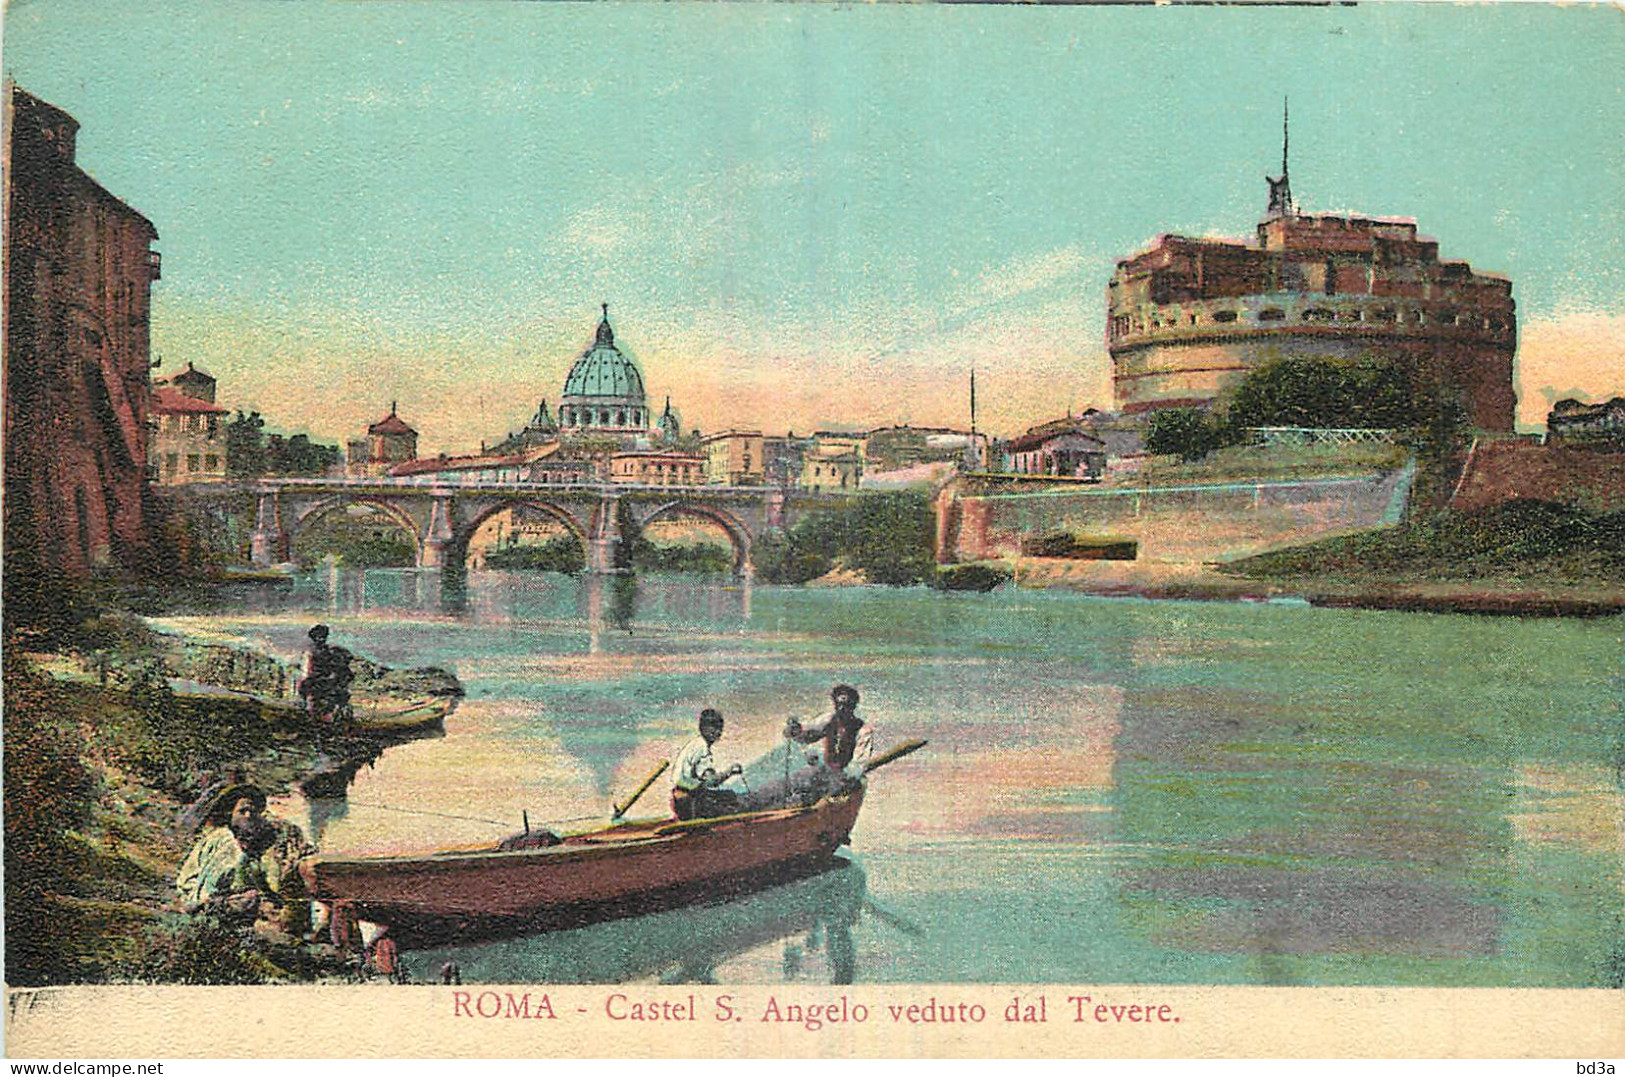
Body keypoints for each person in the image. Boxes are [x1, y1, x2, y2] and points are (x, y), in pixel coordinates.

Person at [176, 782, 313, 935]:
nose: (248, 815)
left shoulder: (263, 840)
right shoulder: (222, 841)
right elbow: (200, 885)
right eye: (242, 811)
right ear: (230, 815)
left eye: (252, 811)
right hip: (211, 903)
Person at [670, 708, 744, 821]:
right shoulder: (702, 749)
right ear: (702, 728)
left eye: (719, 728)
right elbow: (711, 782)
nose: (717, 732)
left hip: (681, 800)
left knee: (729, 795)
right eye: (713, 727)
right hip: (689, 803)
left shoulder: (696, 744)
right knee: (733, 803)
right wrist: (730, 771)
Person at [786, 684, 874, 778]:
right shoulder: (827, 720)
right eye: (838, 705)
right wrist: (794, 731)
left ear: (853, 707)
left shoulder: (863, 730)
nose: (841, 709)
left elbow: (859, 763)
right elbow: (807, 736)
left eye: (846, 706)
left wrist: (849, 775)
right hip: (826, 774)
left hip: (849, 778)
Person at [297, 624, 354, 738]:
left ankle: (326, 729)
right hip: (316, 683)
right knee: (317, 707)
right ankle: (320, 729)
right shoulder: (311, 652)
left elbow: (334, 669)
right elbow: (307, 671)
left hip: (323, 684)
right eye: (319, 637)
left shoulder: (326, 652)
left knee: (324, 707)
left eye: (323, 636)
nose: (321, 639)